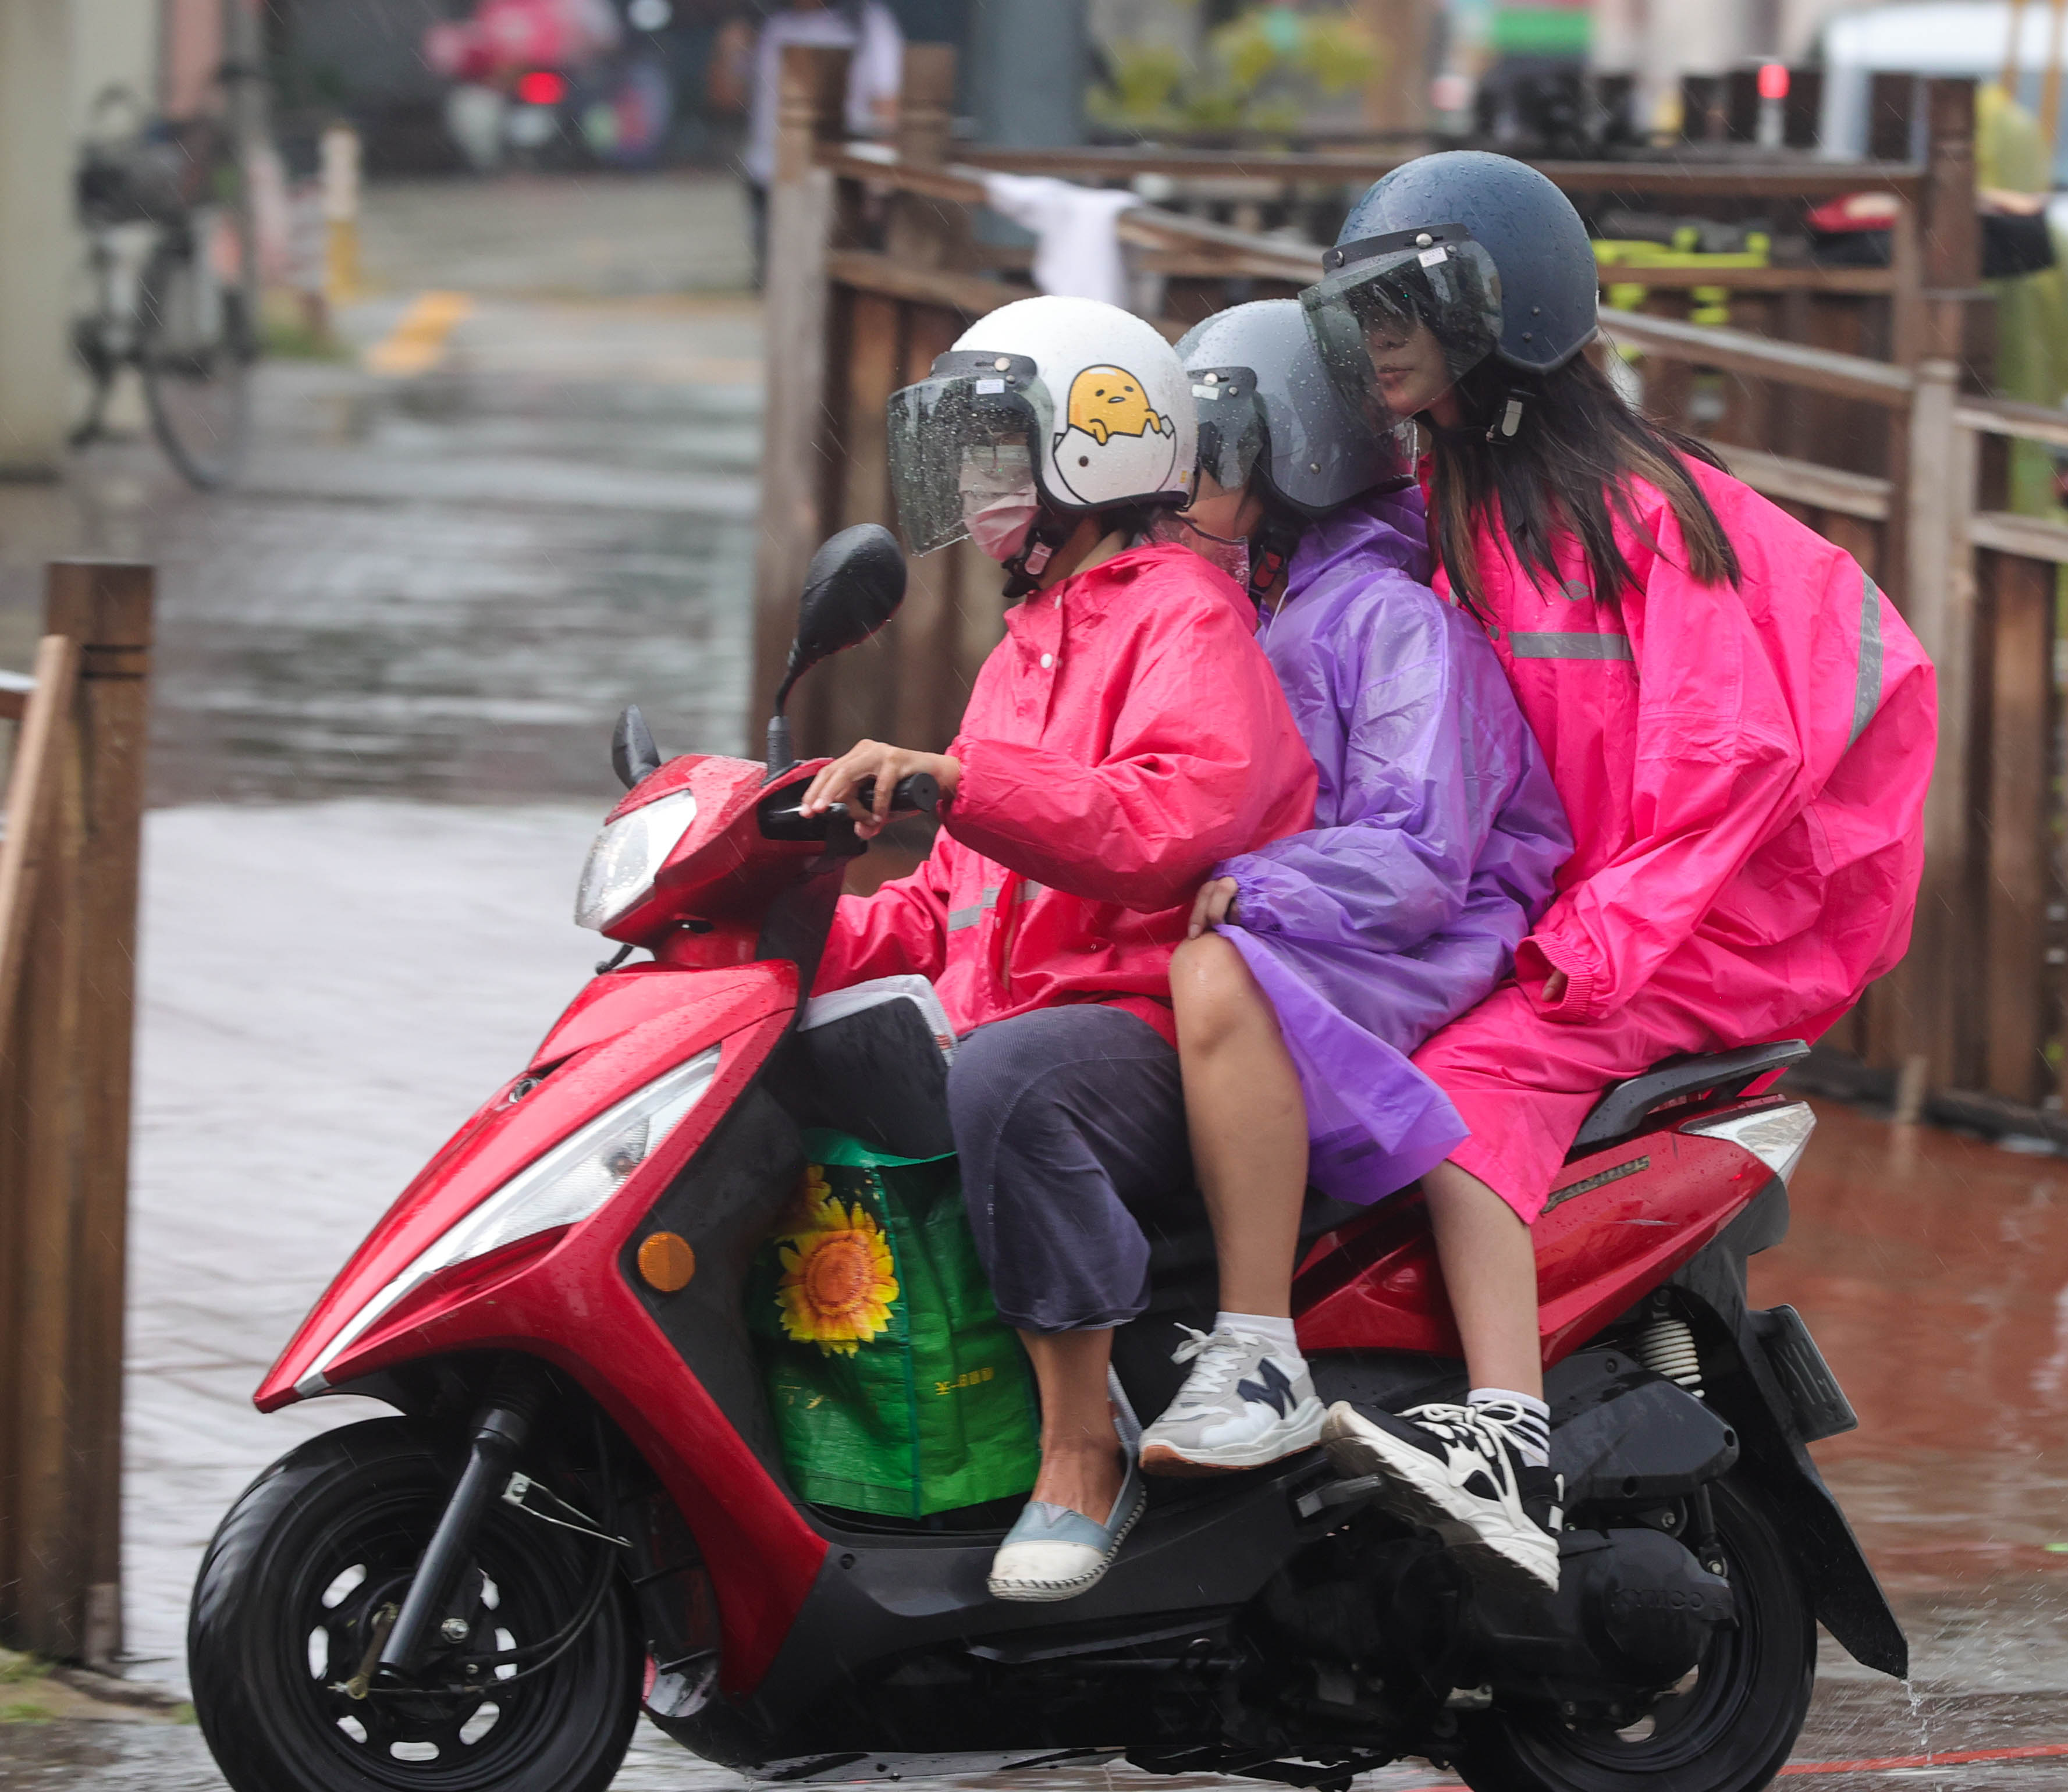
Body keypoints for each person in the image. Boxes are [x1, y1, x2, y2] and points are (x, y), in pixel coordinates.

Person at [1295, 151, 1939, 1584]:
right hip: (1592, 896)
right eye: (1365, 307)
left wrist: (1596, 943)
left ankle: (1508, 1441)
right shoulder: (1449, 503)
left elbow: (1731, 760)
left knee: (1463, 1083)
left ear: (1504, 313)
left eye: (1408, 303)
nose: (1380, 334)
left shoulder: (1637, 511)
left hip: (1718, 918)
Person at [798, 296, 1315, 1603]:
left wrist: (959, 781)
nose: (973, 486)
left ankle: (1083, 1448)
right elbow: (940, 912)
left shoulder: (1186, 620)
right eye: (963, 455)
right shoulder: (1020, 651)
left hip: (1151, 1036)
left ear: (1092, 458)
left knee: (1008, 1078)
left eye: (996, 452)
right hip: (1022, 1021)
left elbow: (1162, 826)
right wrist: (777, 931)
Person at [1131, 301, 1569, 1505]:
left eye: (1211, 453)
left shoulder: (1389, 616)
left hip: (1431, 932)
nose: (1182, 487)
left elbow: (1420, 852)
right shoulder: (1266, 609)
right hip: (1335, 916)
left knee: (1214, 971)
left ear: (1297, 456)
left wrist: (1255, 888)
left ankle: (1257, 1348)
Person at [734, 0, 902, 283]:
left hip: (838, 180)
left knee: (831, 283)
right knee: (777, 281)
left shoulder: (863, 22)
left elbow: (887, 109)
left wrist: (879, 183)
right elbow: (727, 97)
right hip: (770, 176)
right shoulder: (767, 21)